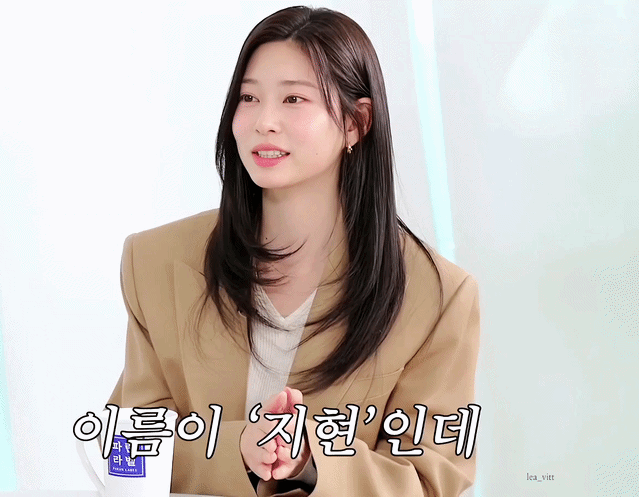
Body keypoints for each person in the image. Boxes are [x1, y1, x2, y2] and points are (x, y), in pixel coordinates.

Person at [106, 5, 481, 496]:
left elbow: (432, 478)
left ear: (356, 122)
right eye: (249, 97)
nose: (264, 121)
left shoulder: (438, 295)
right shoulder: (155, 261)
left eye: (293, 99)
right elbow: (125, 449)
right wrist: (237, 450)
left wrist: (310, 462)